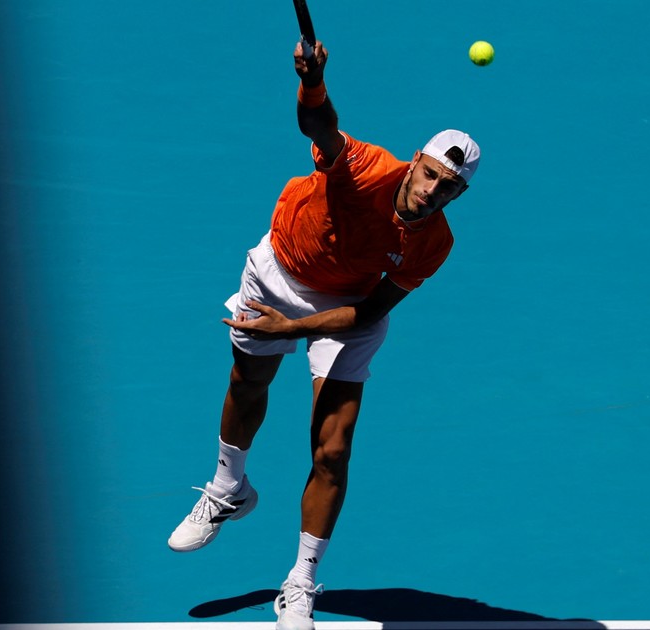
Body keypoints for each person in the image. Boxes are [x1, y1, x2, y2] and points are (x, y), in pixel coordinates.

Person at [166, 38, 480, 630]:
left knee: (332, 450)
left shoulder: (435, 244)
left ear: (460, 194)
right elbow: (320, 125)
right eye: (431, 175)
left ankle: (300, 581)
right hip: (278, 270)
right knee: (248, 381)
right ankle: (229, 487)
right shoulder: (364, 166)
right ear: (416, 161)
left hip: (349, 310)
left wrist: (295, 328)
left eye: (448, 188)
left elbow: (368, 313)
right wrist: (312, 80)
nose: (432, 191)